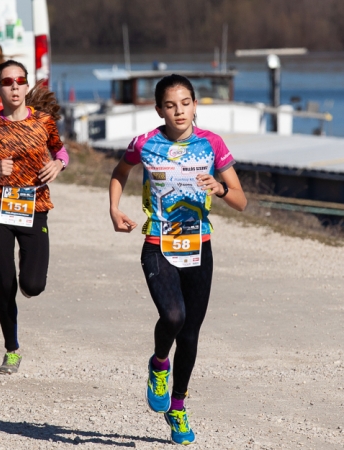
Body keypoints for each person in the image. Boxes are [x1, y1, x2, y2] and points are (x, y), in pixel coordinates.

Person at [108, 74, 247, 445]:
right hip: (158, 244)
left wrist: (219, 188)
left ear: (195, 105)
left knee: (189, 334)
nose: (179, 111)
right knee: (173, 315)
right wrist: (113, 208)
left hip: (199, 246)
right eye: (170, 105)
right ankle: (158, 364)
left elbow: (240, 199)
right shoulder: (145, 143)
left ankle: (178, 406)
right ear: (159, 110)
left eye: (185, 103)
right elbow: (120, 172)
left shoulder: (211, 144)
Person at [0, 60, 69, 374]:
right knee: (5, 284)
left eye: (20, 80)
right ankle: (11, 349)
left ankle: (29, 276)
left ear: (26, 85)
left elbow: (61, 152)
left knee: (33, 285)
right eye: (7, 82)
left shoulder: (44, 122)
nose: (14, 86)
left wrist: (59, 164)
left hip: (35, 210)